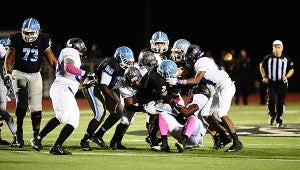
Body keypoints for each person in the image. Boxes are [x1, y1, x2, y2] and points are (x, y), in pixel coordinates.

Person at [168, 44, 243, 152]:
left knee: (221, 114)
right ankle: (224, 136)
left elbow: (197, 80)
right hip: (218, 88)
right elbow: (186, 71)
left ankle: (236, 142)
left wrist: (179, 81)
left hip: (226, 87)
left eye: (188, 56)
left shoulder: (201, 61)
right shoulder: (202, 60)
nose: (187, 58)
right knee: (204, 114)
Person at [4, 18, 57, 148]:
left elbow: (52, 60)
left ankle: (36, 137)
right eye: (26, 33)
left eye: (31, 33)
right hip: (19, 73)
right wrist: (8, 74)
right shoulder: (16, 38)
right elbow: (8, 59)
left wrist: (60, 74)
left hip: (35, 75)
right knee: (21, 105)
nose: (28, 36)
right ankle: (18, 136)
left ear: (38, 31)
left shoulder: (44, 39)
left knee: (36, 108)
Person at [30, 37, 87, 155]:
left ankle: (56, 146)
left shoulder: (72, 54)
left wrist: (86, 85)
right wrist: (84, 73)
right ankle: (37, 139)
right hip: (62, 89)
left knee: (73, 120)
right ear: (78, 46)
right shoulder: (71, 51)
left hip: (65, 89)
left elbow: (71, 81)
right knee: (62, 116)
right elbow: (68, 67)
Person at [80, 46, 135, 151]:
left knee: (119, 113)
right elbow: (103, 85)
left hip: (106, 88)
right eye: (126, 61)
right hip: (93, 86)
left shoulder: (122, 67)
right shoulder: (111, 63)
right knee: (100, 114)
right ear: (119, 58)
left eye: (129, 62)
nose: (128, 64)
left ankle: (98, 135)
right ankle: (85, 139)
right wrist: (116, 100)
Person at [136, 59, 183, 151]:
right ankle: (152, 136)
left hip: (154, 95)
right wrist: (176, 105)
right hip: (146, 98)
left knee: (163, 111)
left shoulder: (159, 70)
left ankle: (154, 136)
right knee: (159, 112)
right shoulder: (157, 79)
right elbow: (166, 97)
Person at [159, 84, 211, 153]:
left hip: (194, 134)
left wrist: (173, 102)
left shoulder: (202, 97)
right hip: (184, 131)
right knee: (163, 114)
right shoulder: (191, 102)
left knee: (193, 118)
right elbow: (183, 118)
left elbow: (187, 113)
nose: (192, 92)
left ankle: (183, 143)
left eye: (194, 90)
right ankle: (164, 144)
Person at [259, 40, 294, 128]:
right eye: (275, 47)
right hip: (271, 83)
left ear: (282, 48)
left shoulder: (286, 58)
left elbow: (292, 69)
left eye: (279, 47)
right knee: (271, 101)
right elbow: (261, 65)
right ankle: (272, 115)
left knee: (280, 103)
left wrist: (286, 76)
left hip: (282, 84)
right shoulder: (268, 58)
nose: (277, 49)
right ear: (272, 48)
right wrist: (264, 76)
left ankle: (279, 119)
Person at [0, 38, 19, 147]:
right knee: (2, 113)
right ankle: (16, 137)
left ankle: (16, 137)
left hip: (2, 86)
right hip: (3, 85)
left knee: (2, 112)